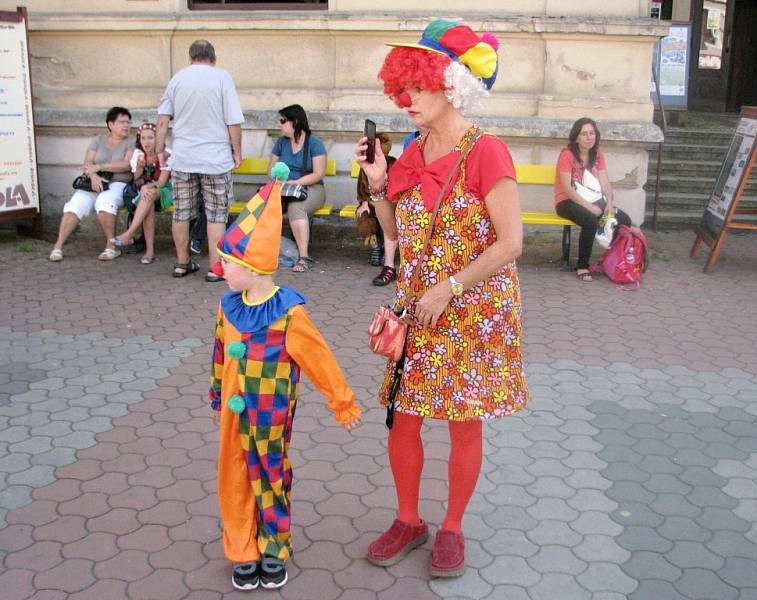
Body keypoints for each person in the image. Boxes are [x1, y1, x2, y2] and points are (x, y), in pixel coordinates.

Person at [354, 20, 529, 578]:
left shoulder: (487, 151)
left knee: (462, 423)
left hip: (472, 310)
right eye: (401, 87)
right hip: (419, 307)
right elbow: (394, 236)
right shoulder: (413, 150)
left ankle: (451, 527)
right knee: (403, 418)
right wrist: (379, 184)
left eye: (419, 86)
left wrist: (450, 286)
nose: (406, 98)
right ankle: (409, 520)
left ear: (451, 84)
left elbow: (512, 243)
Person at [209, 171, 361, 591]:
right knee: (234, 476)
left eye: (230, 264)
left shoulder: (289, 313)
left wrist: (342, 401)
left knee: (271, 475)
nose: (221, 270)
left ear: (255, 267)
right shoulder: (227, 307)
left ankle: (274, 545)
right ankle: (242, 547)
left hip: (271, 413)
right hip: (233, 415)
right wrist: (218, 392)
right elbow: (220, 354)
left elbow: (319, 360)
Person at [155, 39, 244, 280]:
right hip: (215, 159)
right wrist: (237, 151)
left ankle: (182, 263)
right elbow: (233, 121)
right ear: (213, 59)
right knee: (216, 214)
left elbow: (163, 120)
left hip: (183, 157)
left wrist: (159, 149)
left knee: (182, 212)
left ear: (190, 57)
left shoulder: (177, 79)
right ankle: (215, 268)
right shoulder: (222, 78)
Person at [48, 107, 135, 262]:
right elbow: (88, 162)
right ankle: (58, 246)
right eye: (122, 122)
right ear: (110, 124)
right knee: (75, 205)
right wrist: (93, 175)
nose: (126, 125)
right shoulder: (98, 140)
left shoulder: (131, 142)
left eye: (128, 122)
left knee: (105, 202)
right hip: (94, 181)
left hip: (118, 182)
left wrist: (100, 167)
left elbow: (126, 165)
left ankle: (111, 246)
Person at [554, 117, 632, 282]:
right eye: (584, 134)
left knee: (624, 220)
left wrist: (609, 203)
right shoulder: (567, 155)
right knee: (590, 220)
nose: (589, 137)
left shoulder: (598, 156)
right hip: (567, 201)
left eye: (592, 133)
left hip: (594, 199)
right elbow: (567, 188)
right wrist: (589, 207)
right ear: (576, 137)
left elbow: (604, 181)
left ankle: (610, 260)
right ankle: (582, 266)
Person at [269, 104, 327, 273]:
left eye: (282, 121)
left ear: (294, 121)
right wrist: (279, 178)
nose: (279, 124)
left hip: (312, 188)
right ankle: (262, 251)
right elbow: (271, 169)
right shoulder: (281, 143)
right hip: (284, 188)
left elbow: (318, 173)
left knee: (296, 208)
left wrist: (296, 183)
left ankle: (303, 257)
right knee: (263, 206)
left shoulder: (314, 143)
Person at [109, 122, 172, 264]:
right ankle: (149, 252)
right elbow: (137, 180)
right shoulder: (138, 154)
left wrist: (145, 187)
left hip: (166, 190)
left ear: (157, 139)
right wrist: (139, 166)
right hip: (146, 192)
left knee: (148, 194)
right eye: (143, 138)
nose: (146, 142)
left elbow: (161, 183)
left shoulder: (166, 154)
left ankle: (130, 234)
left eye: (150, 138)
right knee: (147, 200)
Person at [355, 132, 399, 286]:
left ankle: (388, 261)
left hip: (391, 201)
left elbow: (396, 186)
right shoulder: (367, 164)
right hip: (372, 200)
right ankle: (376, 247)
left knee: (390, 218)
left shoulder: (393, 163)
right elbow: (362, 186)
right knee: (365, 217)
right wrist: (364, 202)